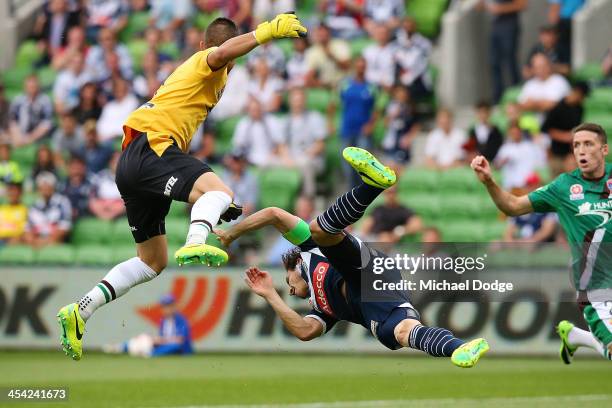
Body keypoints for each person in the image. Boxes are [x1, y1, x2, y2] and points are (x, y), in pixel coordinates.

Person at [57, 13, 308, 361]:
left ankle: (81, 310)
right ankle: (194, 240)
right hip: (153, 146)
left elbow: (222, 57)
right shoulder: (204, 62)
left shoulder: (208, 79)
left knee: (152, 261)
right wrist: (265, 32)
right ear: (208, 47)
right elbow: (220, 54)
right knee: (223, 192)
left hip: (133, 161)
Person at [217, 147, 489, 368]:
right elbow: (303, 331)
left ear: (294, 265)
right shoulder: (323, 310)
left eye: (287, 283)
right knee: (399, 333)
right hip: (376, 299)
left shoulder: (306, 251)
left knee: (318, 231)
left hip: (365, 267)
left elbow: (274, 214)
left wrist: (231, 234)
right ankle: (460, 347)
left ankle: (371, 187)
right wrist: (269, 295)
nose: (289, 289)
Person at [471, 122, 612, 363]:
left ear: (604, 150)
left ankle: (577, 337)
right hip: (596, 285)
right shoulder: (563, 187)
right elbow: (513, 206)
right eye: (576, 145)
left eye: (588, 144)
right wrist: (489, 182)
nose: (581, 151)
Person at [103, 294, 193, 357]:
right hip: (165, 344)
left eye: (168, 305)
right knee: (144, 338)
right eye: (164, 306)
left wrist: (159, 340)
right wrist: (154, 339)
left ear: (174, 306)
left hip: (181, 350)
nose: (166, 309)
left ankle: (150, 354)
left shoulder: (181, 320)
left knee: (174, 346)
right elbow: (162, 337)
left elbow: (180, 340)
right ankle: (120, 347)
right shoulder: (163, 321)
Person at [280, 88, 328, 197]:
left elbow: (320, 144)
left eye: (300, 99)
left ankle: (308, 199)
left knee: (305, 163)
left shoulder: (315, 117)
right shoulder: (286, 120)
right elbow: (281, 145)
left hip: (311, 158)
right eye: (295, 100)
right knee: (266, 162)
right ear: (290, 101)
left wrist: (304, 155)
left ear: (304, 100)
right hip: (291, 158)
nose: (298, 103)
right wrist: (287, 158)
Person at [338, 57, 378, 186]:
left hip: (363, 130)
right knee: (347, 164)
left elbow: (377, 108)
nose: (360, 69)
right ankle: (350, 190)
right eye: (358, 66)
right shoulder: (345, 84)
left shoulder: (371, 87)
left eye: (363, 67)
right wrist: (329, 122)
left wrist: (371, 124)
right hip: (347, 128)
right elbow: (334, 102)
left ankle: (361, 191)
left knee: (362, 164)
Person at [541, 81, 589, 177]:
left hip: (571, 153)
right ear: (577, 92)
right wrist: (565, 136)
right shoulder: (557, 108)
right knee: (557, 183)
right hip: (557, 153)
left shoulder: (579, 108)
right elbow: (545, 129)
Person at [484, 0, 527, 103]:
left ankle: (515, 94)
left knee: (510, 61)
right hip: (496, 26)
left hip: (509, 26)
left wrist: (500, 9)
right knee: (494, 63)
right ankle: (497, 96)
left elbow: (522, 4)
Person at [24, 172, 72, 249]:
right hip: (37, 242)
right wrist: (33, 242)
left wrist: (47, 242)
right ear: (38, 188)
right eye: (42, 184)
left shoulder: (62, 202)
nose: (45, 186)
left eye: (48, 183)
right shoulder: (33, 206)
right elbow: (27, 229)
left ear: (53, 187)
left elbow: (65, 227)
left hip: (55, 241)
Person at [518, 53, 570, 123]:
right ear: (533, 69)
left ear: (549, 66)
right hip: (533, 126)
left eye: (542, 66)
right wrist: (541, 104)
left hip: (556, 125)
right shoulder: (530, 84)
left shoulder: (559, 81)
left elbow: (554, 105)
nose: (540, 70)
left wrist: (533, 104)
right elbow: (521, 105)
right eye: (537, 67)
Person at [232, 98, 285, 167]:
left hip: (270, 159)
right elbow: (239, 146)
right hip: (248, 160)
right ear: (248, 110)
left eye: (257, 109)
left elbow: (279, 144)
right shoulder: (243, 123)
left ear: (261, 109)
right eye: (252, 110)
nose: (255, 112)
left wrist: (271, 156)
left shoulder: (272, 121)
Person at [9, 75, 53, 147]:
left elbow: (46, 124)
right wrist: (18, 136)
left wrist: (30, 138)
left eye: (34, 87)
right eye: (29, 87)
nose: (32, 89)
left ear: (38, 87)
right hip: (20, 136)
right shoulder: (18, 100)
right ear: (25, 87)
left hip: (38, 138)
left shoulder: (45, 100)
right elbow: (12, 120)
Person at [362, 24, 396, 90]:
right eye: (379, 33)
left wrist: (388, 83)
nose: (382, 36)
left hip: (391, 86)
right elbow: (366, 71)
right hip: (370, 85)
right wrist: (380, 81)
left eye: (384, 33)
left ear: (389, 35)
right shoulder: (368, 51)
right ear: (375, 35)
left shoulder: (395, 51)